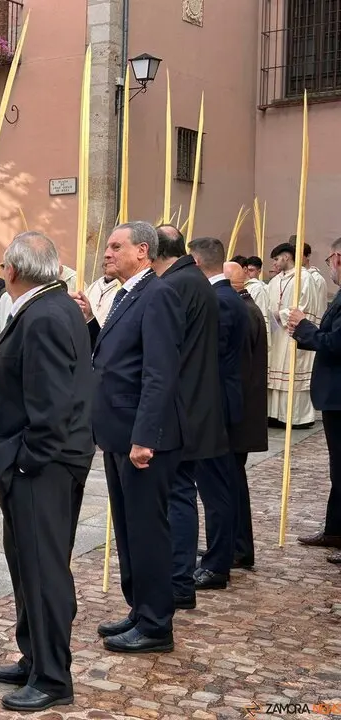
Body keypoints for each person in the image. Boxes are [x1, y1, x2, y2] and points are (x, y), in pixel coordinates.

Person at [0, 231, 93, 713]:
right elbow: (18, 370)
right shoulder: (44, 306)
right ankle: (34, 654)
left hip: (40, 467)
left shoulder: (47, 313)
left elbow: (51, 403)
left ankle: (53, 676)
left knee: (44, 570)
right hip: (35, 465)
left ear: (11, 269)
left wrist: (23, 462)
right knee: (27, 565)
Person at [72, 221, 183, 653]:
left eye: (116, 246)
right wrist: (89, 323)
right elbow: (115, 353)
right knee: (128, 528)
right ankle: (140, 608)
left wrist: (144, 437)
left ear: (142, 250)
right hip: (118, 433)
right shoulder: (126, 295)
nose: (107, 253)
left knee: (147, 529)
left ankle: (157, 624)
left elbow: (159, 372)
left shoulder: (157, 295)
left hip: (142, 439)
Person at [151, 225, 226, 606]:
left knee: (177, 493)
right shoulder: (192, 279)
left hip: (182, 406)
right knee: (179, 492)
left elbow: (165, 351)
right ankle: (177, 578)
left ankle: (178, 581)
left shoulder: (177, 284)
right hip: (192, 401)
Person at [187, 237, 248, 591]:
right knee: (216, 485)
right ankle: (218, 551)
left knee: (217, 488)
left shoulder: (219, 301)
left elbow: (209, 357)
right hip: (217, 402)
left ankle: (217, 563)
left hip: (216, 406)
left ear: (196, 263)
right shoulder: (222, 297)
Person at [287, 237, 341, 561]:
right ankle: (335, 529)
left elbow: (336, 343)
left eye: (331, 260)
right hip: (334, 396)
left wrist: (305, 327)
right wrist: (303, 330)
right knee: (338, 470)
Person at [223, 261, 268, 570]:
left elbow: (235, 370)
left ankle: (238, 547)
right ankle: (236, 545)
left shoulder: (241, 312)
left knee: (231, 483)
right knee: (232, 482)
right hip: (242, 413)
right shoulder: (247, 308)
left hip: (237, 417)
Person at [268, 241, 319, 427]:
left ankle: (297, 418)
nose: (274, 263)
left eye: (276, 259)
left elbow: (306, 307)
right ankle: (276, 414)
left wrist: (280, 315)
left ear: (287, 256)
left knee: (293, 371)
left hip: (292, 333)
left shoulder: (304, 278)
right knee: (277, 373)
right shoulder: (274, 281)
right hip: (276, 335)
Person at [240, 255, 270, 341]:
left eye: (251, 270)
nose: (248, 273)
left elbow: (261, 313)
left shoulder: (259, 288)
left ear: (259, 271)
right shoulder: (243, 285)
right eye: (247, 270)